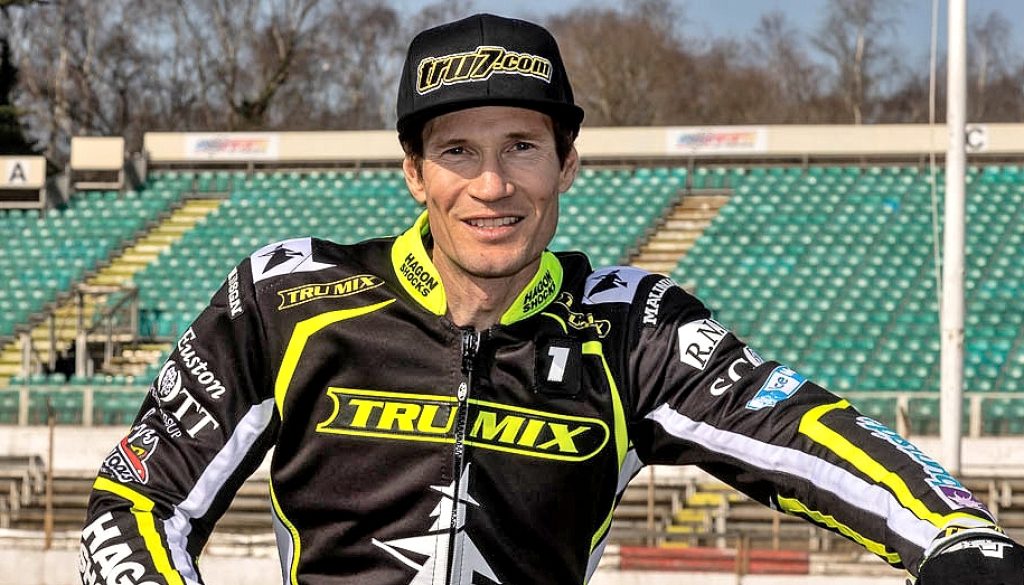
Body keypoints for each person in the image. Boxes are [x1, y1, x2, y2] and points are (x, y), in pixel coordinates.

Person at [79, 13, 1022, 585]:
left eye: (522, 147)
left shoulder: (631, 324)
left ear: (567, 163)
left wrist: (954, 531)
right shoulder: (288, 296)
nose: (492, 185)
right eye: (458, 151)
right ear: (413, 171)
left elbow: (801, 426)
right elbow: (134, 502)